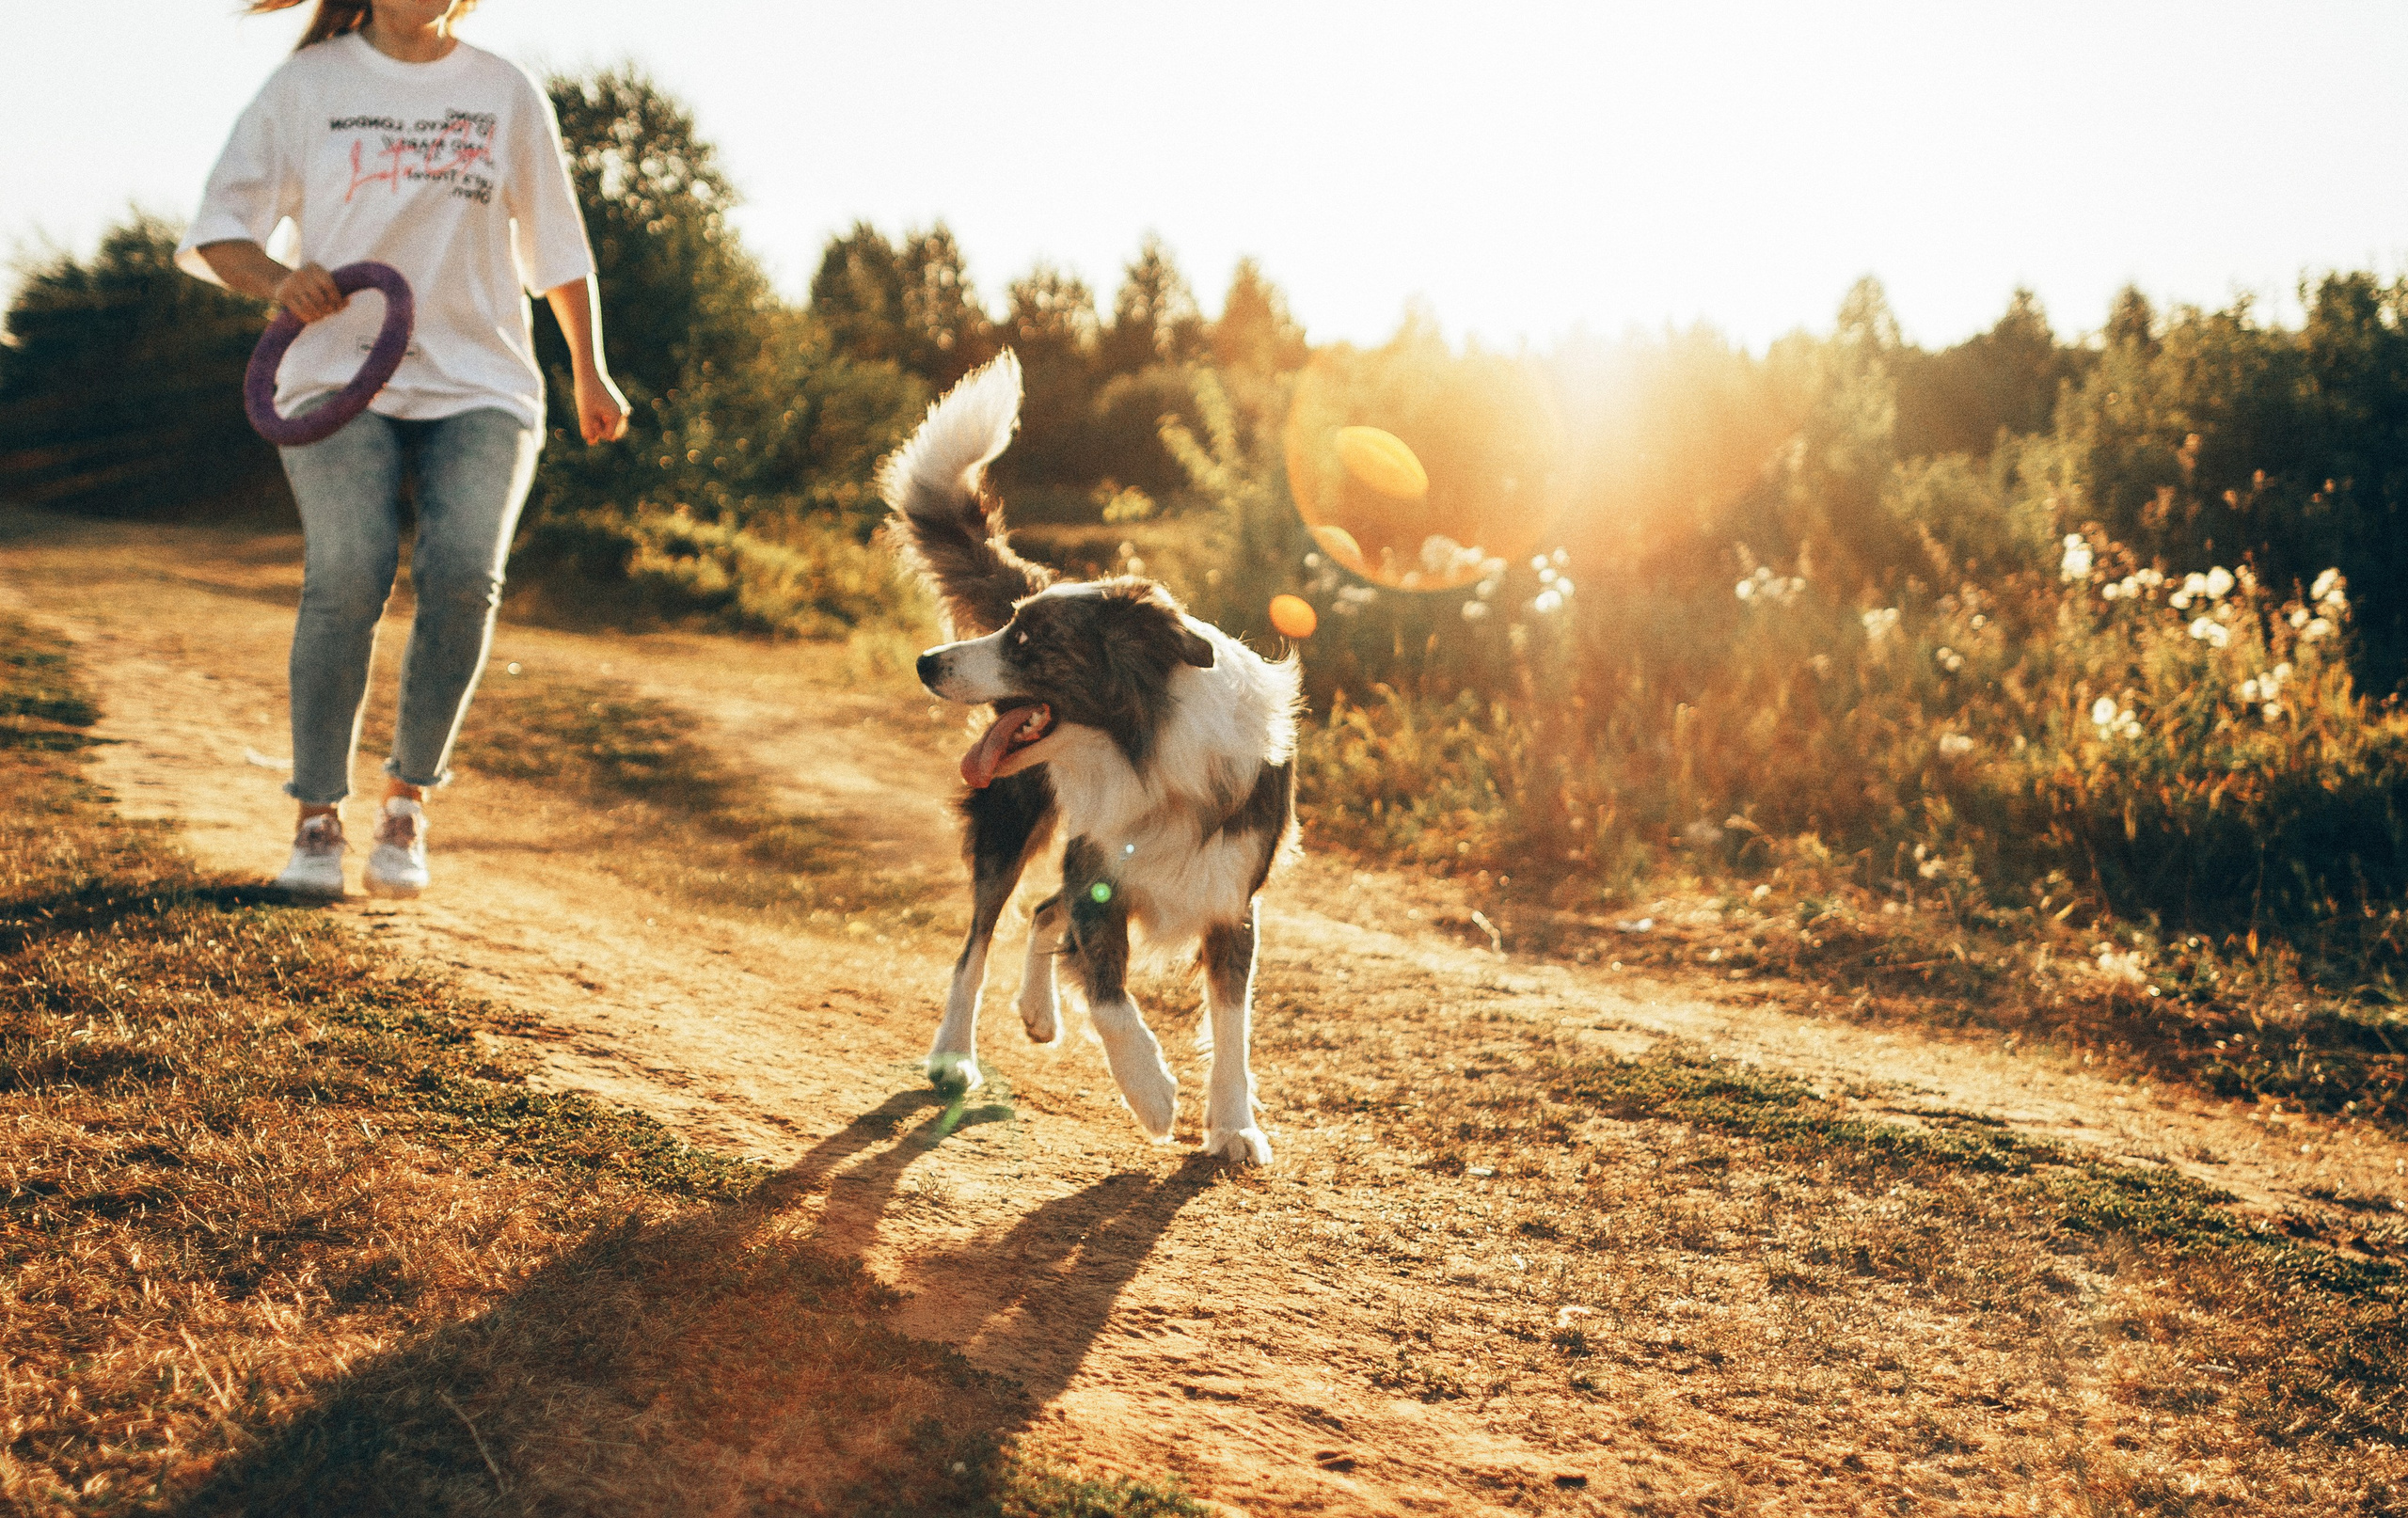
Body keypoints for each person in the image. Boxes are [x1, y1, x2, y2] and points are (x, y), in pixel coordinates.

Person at [177, 0, 628, 897]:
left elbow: (559, 246)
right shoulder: (309, 83)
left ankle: (406, 802)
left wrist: (590, 368)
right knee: (350, 569)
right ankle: (315, 819)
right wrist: (279, 279)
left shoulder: (504, 90)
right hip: (336, 372)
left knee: (465, 574)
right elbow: (218, 231)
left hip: (481, 380)